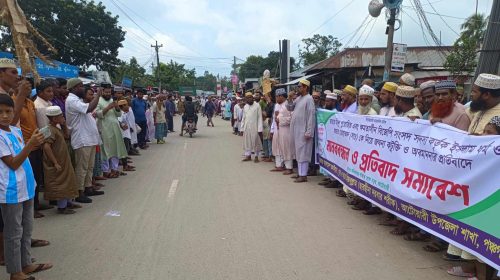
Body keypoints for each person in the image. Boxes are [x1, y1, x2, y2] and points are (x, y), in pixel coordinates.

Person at [0, 94, 53, 280]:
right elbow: (13, 163)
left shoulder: (14, 130)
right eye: (0, 112)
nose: (5, 116)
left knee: (26, 230)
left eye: (8, 111)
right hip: (11, 190)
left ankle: (26, 263)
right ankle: (15, 272)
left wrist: (34, 141)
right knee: (13, 233)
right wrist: (31, 145)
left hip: (27, 187)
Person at [65, 78, 103, 203]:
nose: (83, 88)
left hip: (89, 139)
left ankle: (88, 187)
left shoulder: (78, 100)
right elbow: (89, 108)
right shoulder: (71, 100)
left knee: (89, 166)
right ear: (74, 88)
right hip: (82, 139)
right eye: (81, 86)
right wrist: (98, 95)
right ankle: (79, 192)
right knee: (82, 168)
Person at [42, 106, 79, 215]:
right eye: (61, 116)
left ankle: (68, 203)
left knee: (68, 181)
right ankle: (62, 207)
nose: (63, 117)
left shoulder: (57, 128)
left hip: (64, 161)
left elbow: (67, 135)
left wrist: (63, 125)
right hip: (57, 162)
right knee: (61, 184)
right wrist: (55, 162)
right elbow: (46, 147)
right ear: (54, 119)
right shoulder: (49, 130)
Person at [96, 84, 129, 178]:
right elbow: (98, 114)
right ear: (102, 92)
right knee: (105, 150)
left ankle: (114, 169)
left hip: (115, 128)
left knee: (115, 149)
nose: (107, 94)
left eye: (109, 92)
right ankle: (106, 171)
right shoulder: (98, 101)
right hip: (105, 128)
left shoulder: (111, 100)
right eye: (106, 92)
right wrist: (108, 107)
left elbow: (118, 115)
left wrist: (117, 108)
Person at [287, 79, 316, 183]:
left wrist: (309, 131)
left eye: (299, 86)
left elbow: (311, 117)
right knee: (298, 152)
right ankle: (300, 173)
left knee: (303, 153)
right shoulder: (299, 98)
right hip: (296, 130)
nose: (297, 88)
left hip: (303, 131)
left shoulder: (309, 99)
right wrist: (290, 98)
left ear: (305, 87)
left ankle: (303, 175)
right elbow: (290, 108)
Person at [270, 88, 294, 174]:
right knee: (277, 147)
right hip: (277, 130)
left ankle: (289, 168)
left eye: (277, 97)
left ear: (281, 96)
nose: (276, 98)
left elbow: (291, 118)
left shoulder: (288, 105)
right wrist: (272, 130)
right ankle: (279, 165)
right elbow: (274, 119)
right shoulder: (276, 105)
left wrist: (280, 120)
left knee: (286, 148)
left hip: (285, 130)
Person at [241, 92, 263, 162]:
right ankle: (248, 155)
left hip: (255, 127)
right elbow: (243, 118)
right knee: (247, 141)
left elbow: (260, 117)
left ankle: (256, 156)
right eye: (247, 98)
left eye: (250, 97)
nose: (249, 99)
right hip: (247, 127)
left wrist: (260, 129)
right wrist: (242, 128)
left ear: (253, 98)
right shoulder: (245, 106)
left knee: (255, 141)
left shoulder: (257, 106)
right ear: (246, 99)